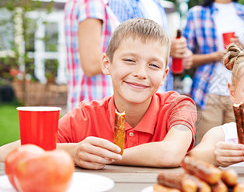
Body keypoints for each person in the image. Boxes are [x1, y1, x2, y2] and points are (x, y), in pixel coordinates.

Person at [0, 19, 197, 169]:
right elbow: (9, 151)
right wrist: (73, 151)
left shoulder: (179, 106)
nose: (140, 73)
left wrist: (103, 156)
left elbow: (171, 153)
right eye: (129, 60)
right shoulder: (85, 116)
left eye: (153, 65)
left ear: (163, 76)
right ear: (106, 63)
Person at [183, 0, 244, 143]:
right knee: (207, 147)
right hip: (208, 92)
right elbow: (185, 59)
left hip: (241, 91)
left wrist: (242, 48)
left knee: (239, 147)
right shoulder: (197, 14)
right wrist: (215, 56)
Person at [64, 0, 120, 110]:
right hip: (95, 106)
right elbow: (91, 63)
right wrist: (131, 62)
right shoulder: (90, 0)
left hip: (87, 104)